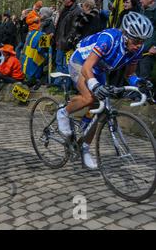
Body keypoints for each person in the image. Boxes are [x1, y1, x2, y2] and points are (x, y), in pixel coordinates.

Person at [57, 12, 154, 169]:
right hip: (81, 62)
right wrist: (95, 85)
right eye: (136, 40)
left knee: (100, 110)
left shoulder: (136, 49)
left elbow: (130, 74)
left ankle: (85, 148)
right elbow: (87, 67)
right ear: (125, 35)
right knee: (89, 97)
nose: (138, 45)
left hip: (99, 70)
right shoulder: (108, 39)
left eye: (142, 41)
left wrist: (140, 83)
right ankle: (63, 113)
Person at [54, 0, 82, 87]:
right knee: (58, 63)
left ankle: (65, 85)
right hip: (59, 41)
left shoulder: (77, 11)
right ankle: (58, 84)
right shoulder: (64, 9)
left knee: (66, 66)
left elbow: (74, 29)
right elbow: (59, 26)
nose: (64, 0)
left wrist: (67, 41)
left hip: (67, 44)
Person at [138, 0, 156, 80]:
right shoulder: (141, 10)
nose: (140, 0)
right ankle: (135, 94)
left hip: (149, 50)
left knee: (144, 78)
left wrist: (155, 47)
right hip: (138, 48)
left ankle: (145, 94)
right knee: (135, 76)